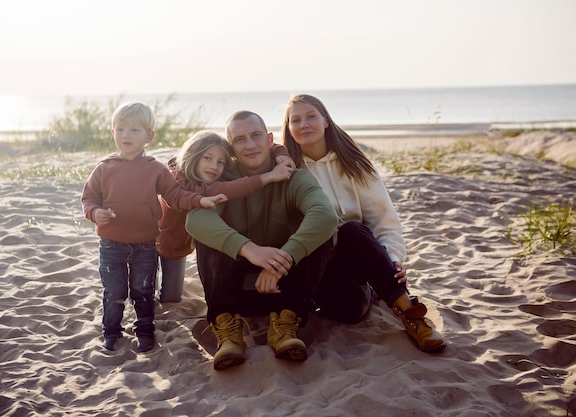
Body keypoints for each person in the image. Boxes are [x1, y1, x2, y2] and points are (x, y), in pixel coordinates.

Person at [281, 94, 446, 353]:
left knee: (351, 230)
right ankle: (376, 292)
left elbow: (384, 220)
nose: (304, 124)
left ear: (325, 120)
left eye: (311, 116)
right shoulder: (287, 171)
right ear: (289, 129)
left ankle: (411, 315)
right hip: (313, 269)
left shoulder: (354, 164)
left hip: (352, 258)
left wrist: (392, 258)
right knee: (347, 311)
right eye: (296, 120)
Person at [185, 110, 338, 370]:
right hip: (236, 294)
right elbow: (195, 221)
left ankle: (285, 329)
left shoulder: (293, 177)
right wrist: (250, 249)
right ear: (231, 148)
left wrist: (282, 260)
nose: (251, 145)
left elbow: (326, 216)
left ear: (269, 139)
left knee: (315, 233)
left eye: (256, 136)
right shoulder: (223, 183)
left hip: (284, 290)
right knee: (209, 237)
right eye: (240, 139)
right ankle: (228, 331)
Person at [81, 102, 226, 353]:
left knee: (143, 290)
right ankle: (112, 331)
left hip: (145, 245)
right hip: (111, 245)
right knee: (114, 291)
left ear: (149, 136)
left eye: (135, 130)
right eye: (121, 129)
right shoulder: (104, 168)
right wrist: (95, 213)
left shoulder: (156, 169)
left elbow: (176, 196)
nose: (126, 135)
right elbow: (88, 198)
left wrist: (200, 200)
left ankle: (145, 330)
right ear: (113, 133)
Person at [155, 130, 295, 303]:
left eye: (220, 162)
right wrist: (269, 176)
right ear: (193, 155)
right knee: (156, 292)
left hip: (182, 247)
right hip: (159, 243)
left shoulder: (210, 177)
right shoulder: (177, 181)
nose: (214, 166)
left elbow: (258, 146)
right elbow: (219, 190)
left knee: (171, 296)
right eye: (207, 158)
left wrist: (282, 153)